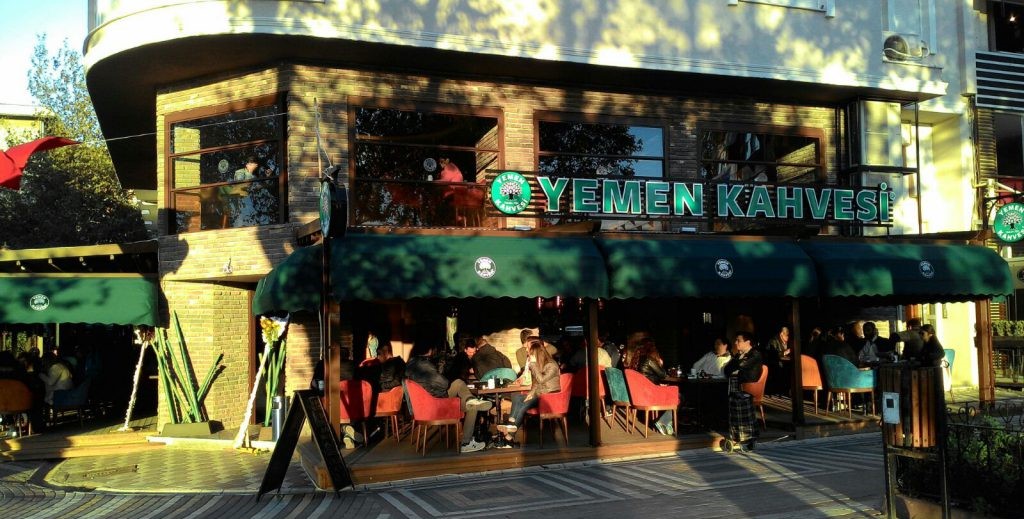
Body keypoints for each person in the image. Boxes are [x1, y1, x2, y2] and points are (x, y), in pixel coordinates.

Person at [406, 341, 492, 453]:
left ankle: (470, 400)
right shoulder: (425, 365)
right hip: (436, 402)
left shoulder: (411, 364)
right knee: (470, 403)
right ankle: (466, 442)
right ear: (429, 350)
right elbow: (444, 384)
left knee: (458, 383)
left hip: (426, 403)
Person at [495, 338, 561, 447]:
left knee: (523, 405)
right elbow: (536, 383)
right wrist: (531, 393)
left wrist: (533, 365)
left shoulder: (552, 365)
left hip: (549, 397)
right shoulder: (540, 364)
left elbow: (541, 380)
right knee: (517, 397)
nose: (529, 356)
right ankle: (511, 424)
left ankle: (509, 436)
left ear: (538, 354)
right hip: (540, 393)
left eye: (531, 354)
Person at [626, 337, 675, 435]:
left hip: (638, 395)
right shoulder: (649, 360)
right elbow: (663, 375)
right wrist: (660, 364)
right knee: (678, 396)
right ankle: (663, 422)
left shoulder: (636, 361)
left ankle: (662, 421)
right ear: (652, 349)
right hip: (650, 394)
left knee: (669, 391)